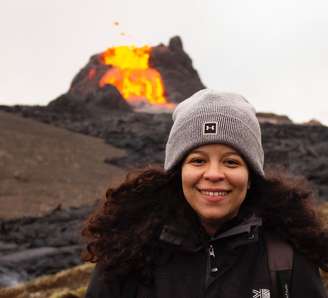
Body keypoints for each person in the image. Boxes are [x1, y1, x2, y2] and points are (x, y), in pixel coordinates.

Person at [82, 89, 328, 298]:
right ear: (178, 173)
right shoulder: (127, 254)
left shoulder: (286, 258)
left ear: (251, 176)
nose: (213, 174)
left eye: (231, 162)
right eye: (198, 161)